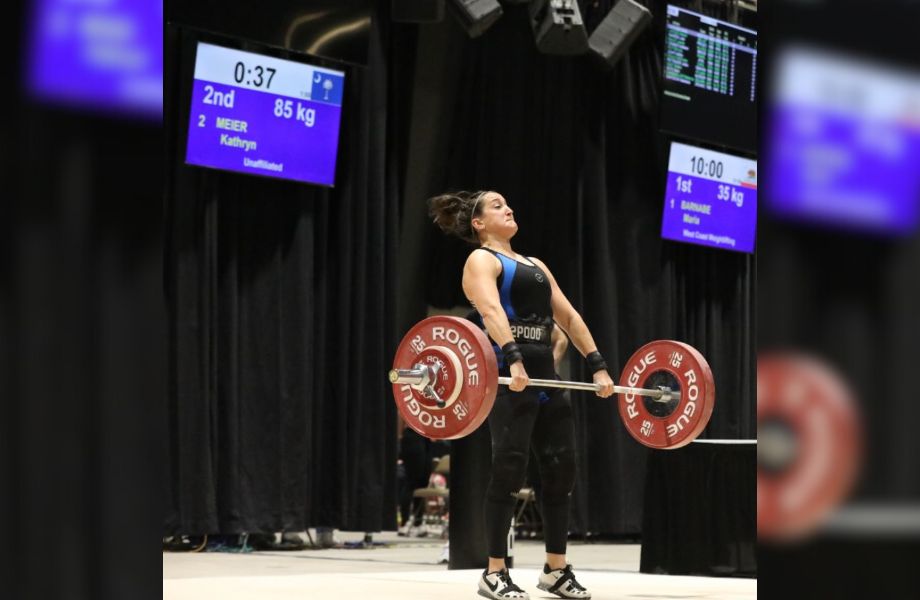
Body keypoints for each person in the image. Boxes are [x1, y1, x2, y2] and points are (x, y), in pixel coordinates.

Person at [429, 191, 614, 600]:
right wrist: (512, 361)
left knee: (561, 470)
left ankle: (555, 569)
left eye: (509, 203)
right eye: (496, 205)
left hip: (545, 379)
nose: (508, 208)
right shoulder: (482, 260)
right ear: (478, 223)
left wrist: (598, 364)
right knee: (509, 470)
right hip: (508, 377)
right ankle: (494, 573)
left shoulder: (536, 266)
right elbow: (491, 311)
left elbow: (568, 317)